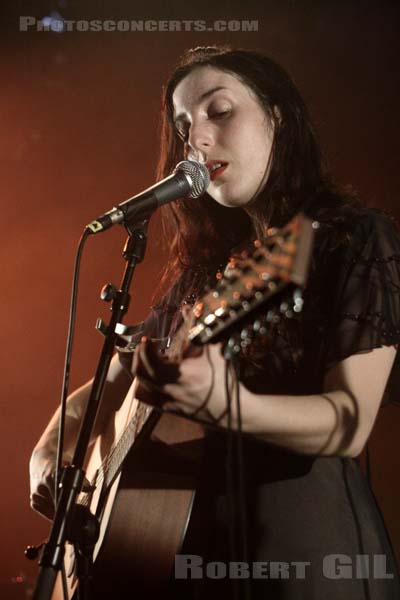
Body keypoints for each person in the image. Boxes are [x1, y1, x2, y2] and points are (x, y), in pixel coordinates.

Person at [30, 46, 400, 599]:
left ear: (276, 115)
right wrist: (48, 455)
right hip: (182, 557)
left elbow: (348, 422)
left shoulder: (350, 238)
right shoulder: (203, 276)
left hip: (303, 550)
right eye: (183, 127)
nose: (196, 139)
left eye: (218, 111)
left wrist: (230, 407)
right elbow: (108, 384)